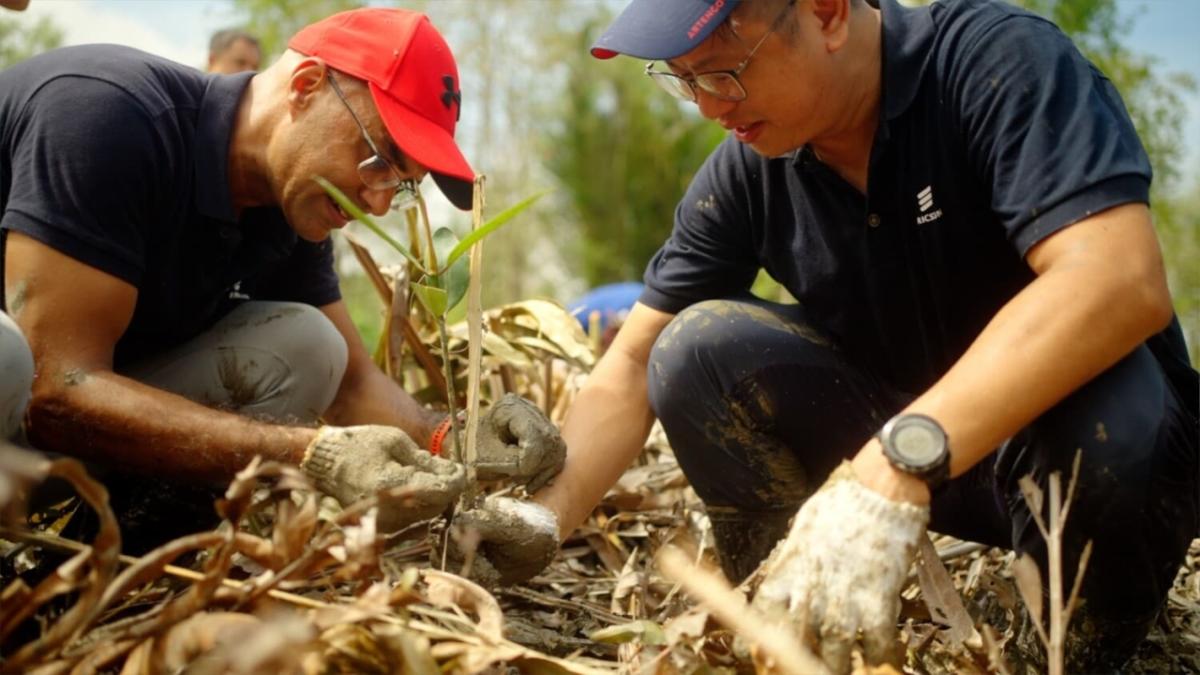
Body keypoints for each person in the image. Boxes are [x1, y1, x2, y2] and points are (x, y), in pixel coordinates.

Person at [487, 0, 1197, 671]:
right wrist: (541, 520)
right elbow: (631, 359)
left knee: (1107, 413)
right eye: (685, 80)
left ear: (825, 12)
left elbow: (1115, 279)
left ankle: (1060, 651)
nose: (707, 106)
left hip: (1086, 463)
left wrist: (896, 461)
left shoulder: (998, 66)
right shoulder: (750, 168)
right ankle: (799, 619)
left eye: (725, 71)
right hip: (922, 461)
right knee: (694, 348)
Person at [0, 8, 564, 551]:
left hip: (32, 447)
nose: (378, 203)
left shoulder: (288, 206)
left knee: (309, 345)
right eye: (379, 158)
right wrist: (310, 455)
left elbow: (351, 386)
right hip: (24, 407)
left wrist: (456, 439)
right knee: (8, 358)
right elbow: (52, 393)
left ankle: (88, 574)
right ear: (307, 84)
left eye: (403, 185)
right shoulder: (108, 114)